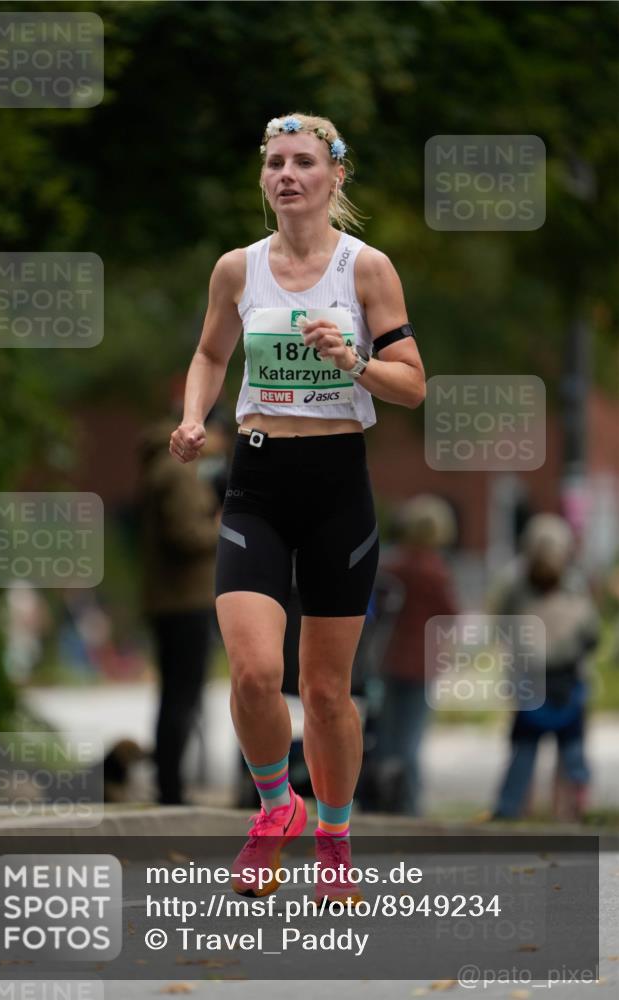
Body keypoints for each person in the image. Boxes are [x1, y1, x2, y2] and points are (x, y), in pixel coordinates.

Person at [169, 112, 426, 905]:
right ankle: (277, 806)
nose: (286, 174)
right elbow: (212, 352)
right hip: (256, 480)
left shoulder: (367, 269)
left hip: (336, 488)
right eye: (274, 163)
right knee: (252, 673)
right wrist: (192, 416)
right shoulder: (236, 269)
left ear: (333, 176)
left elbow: (412, 383)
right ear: (263, 179)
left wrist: (353, 359)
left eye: (303, 162)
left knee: (323, 693)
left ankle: (336, 842)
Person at [138, 411, 228, 805]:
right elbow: (185, 534)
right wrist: (222, 527)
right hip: (184, 598)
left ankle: (169, 781)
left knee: (175, 694)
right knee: (182, 696)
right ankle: (171, 787)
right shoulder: (176, 472)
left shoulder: (162, 467)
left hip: (170, 597)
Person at [491, 514, 600, 820]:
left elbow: (502, 627)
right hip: (570, 681)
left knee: (524, 749)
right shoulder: (575, 584)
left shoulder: (513, 583)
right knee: (572, 749)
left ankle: (511, 808)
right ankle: (570, 807)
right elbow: (590, 634)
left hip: (529, 680)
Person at [375, 494, 458, 815]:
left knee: (386, 734)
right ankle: (408, 805)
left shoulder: (391, 565)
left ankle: (379, 798)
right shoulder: (437, 573)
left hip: (389, 656)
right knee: (411, 738)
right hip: (423, 662)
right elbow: (451, 614)